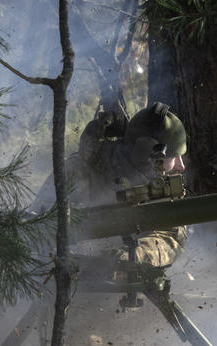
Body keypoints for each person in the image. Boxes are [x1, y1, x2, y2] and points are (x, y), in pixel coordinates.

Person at [32, 102, 188, 268]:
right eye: (173, 157)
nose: (181, 166)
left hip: (125, 277)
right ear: (147, 153)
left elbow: (172, 238)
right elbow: (36, 228)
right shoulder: (77, 171)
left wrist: (135, 255)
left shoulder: (161, 183)